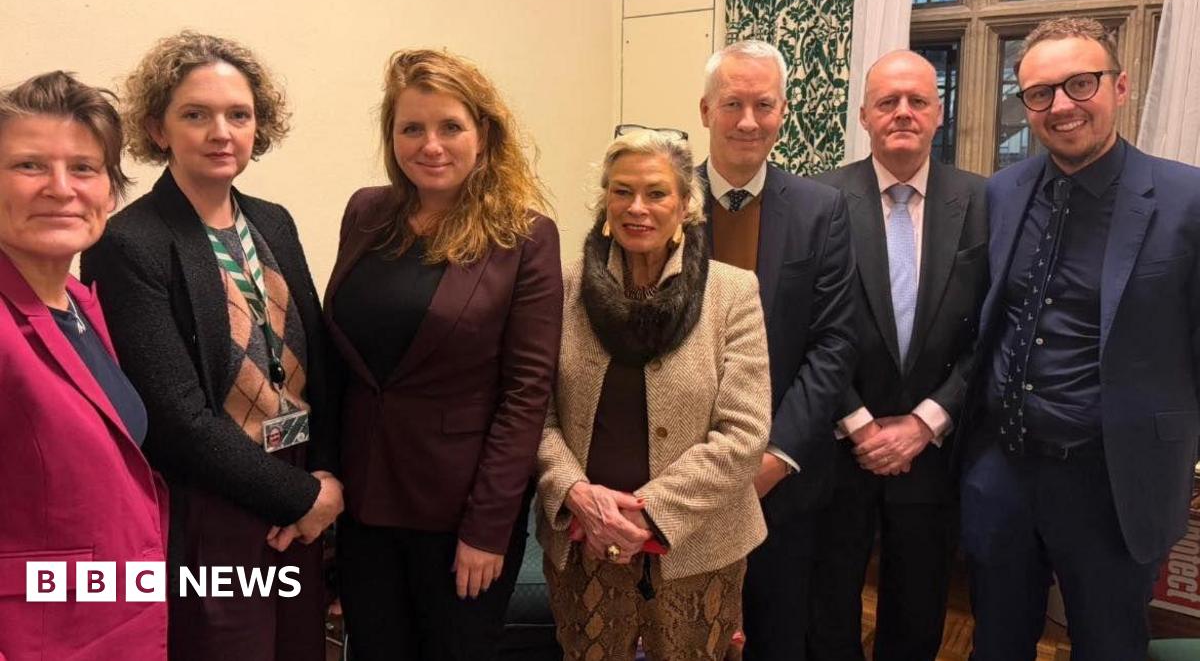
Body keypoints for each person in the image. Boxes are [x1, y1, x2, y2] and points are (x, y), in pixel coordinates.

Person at [80, 32, 340, 661]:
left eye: (238, 115)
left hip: (301, 487)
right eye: (196, 114)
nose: (220, 131)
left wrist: (326, 482)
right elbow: (175, 420)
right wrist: (307, 500)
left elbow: (321, 364)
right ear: (158, 129)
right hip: (213, 507)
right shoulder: (128, 243)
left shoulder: (273, 220)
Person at [960, 16, 1200, 660]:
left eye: (1080, 84)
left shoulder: (1186, 199)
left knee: (1109, 645)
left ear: (1120, 87)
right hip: (1003, 470)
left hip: (1114, 482)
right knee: (996, 641)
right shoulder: (1005, 191)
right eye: (1039, 93)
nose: (1060, 106)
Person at [325, 48, 562, 660]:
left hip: (460, 516)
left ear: (482, 133)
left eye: (450, 126)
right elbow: (340, 359)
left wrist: (488, 529)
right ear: (392, 136)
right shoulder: (366, 212)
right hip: (363, 502)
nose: (430, 144)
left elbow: (526, 394)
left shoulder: (524, 236)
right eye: (412, 128)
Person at [537, 128, 771, 660]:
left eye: (656, 193)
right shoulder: (562, 288)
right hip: (584, 542)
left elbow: (744, 431)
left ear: (686, 205)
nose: (637, 207)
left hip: (700, 547)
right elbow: (535, 414)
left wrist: (647, 514)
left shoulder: (732, 293)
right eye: (622, 192)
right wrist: (578, 495)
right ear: (605, 202)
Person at [807, 50, 987, 661]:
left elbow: (993, 330)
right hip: (838, 446)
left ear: (940, 113)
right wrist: (858, 424)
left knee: (919, 610)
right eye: (888, 102)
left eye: (917, 101)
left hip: (934, 450)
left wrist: (926, 422)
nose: (903, 113)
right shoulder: (818, 200)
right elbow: (802, 326)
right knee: (828, 607)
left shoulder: (984, 203)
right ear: (864, 115)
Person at [697, 39, 858, 660]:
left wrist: (776, 456)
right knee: (683, 633)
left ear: (782, 112)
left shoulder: (824, 211)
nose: (747, 120)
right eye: (732, 103)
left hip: (782, 479)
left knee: (778, 630)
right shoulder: (659, 202)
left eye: (762, 104)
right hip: (677, 468)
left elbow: (833, 343)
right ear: (706, 109)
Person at [0, 71, 166, 660]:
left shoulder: (78, 302)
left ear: (111, 192)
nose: (60, 188)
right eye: (28, 166)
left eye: (85, 168)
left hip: (118, 625)